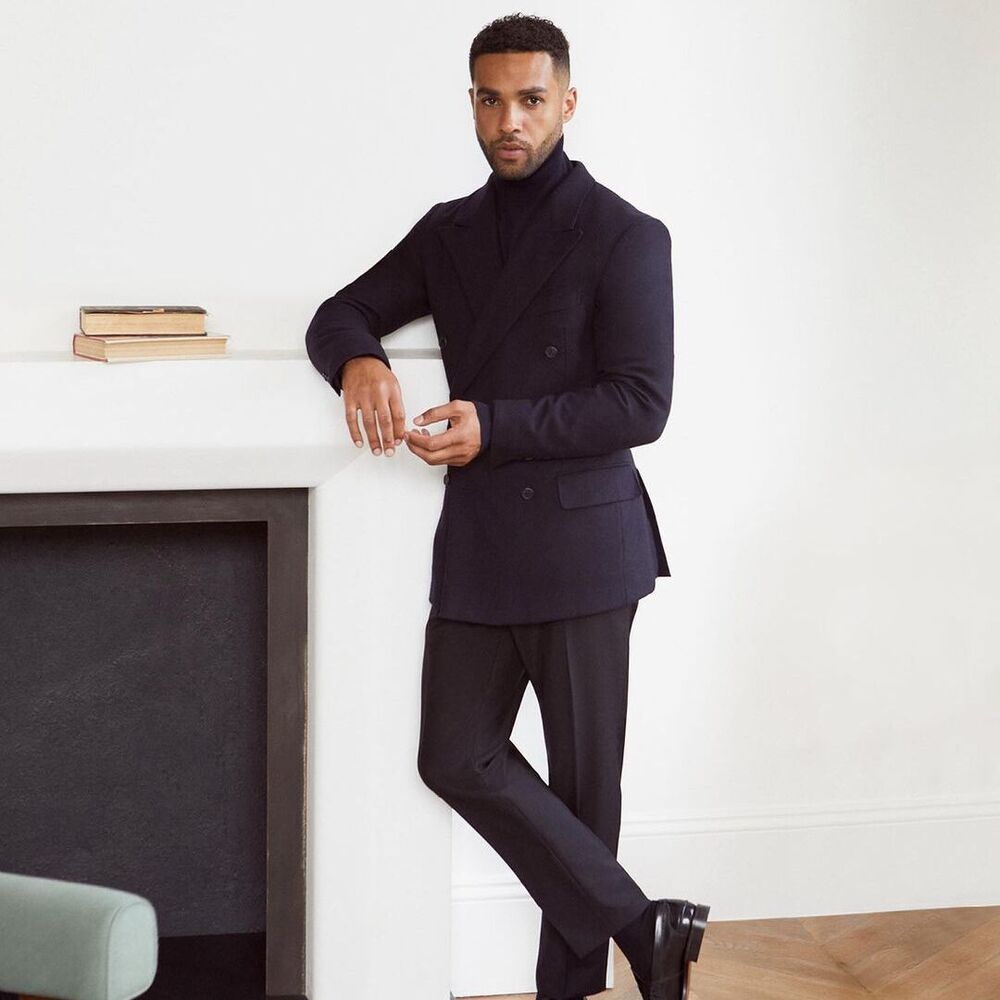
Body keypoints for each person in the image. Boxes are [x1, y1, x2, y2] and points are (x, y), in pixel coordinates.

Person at [305, 13, 709, 1000]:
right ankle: (644, 926)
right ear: (472, 104)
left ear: (567, 102)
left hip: (584, 549)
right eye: (490, 101)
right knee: (453, 753)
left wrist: (494, 425)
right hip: (484, 547)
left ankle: (570, 989)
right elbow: (340, 311)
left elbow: (641, 403)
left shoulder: (624, 234)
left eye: (530, 100)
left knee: (584, 792)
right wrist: (359, 360)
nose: (509, 122)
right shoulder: (448, 231)